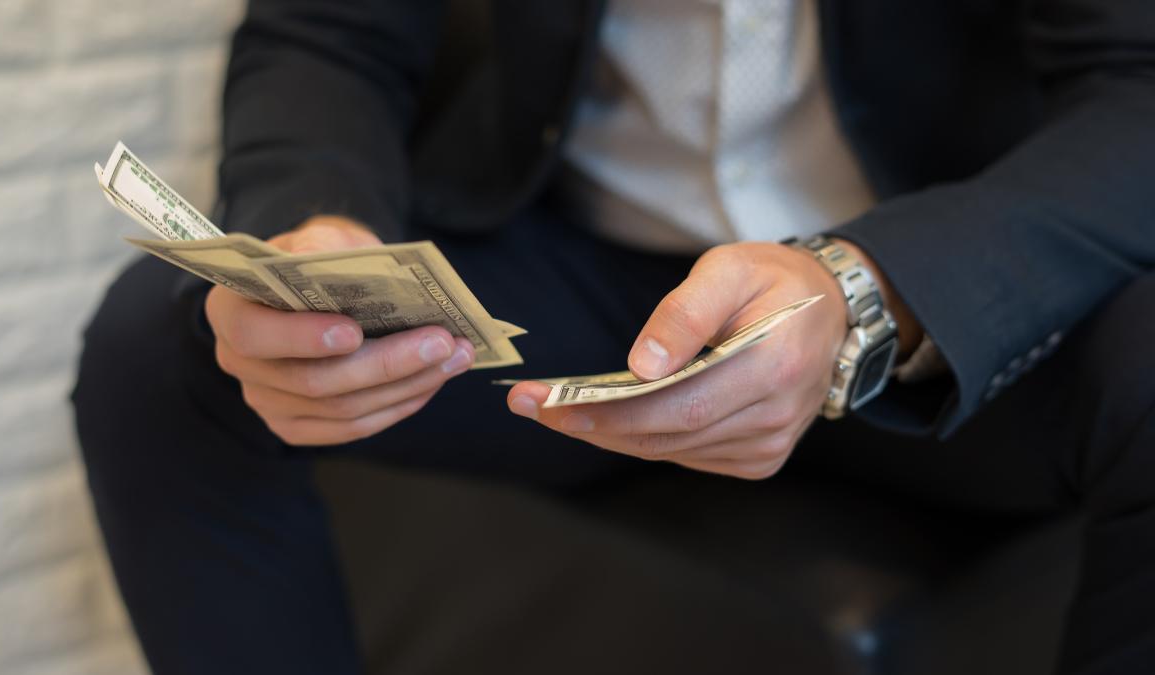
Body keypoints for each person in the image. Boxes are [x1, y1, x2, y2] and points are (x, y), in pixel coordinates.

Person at [73, 1, 1155, 673]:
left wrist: (869, 287)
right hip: (596, 287)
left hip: (934, 277)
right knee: (159, 347)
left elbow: (1136, 92)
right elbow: (326, 32)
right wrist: (323, 231)